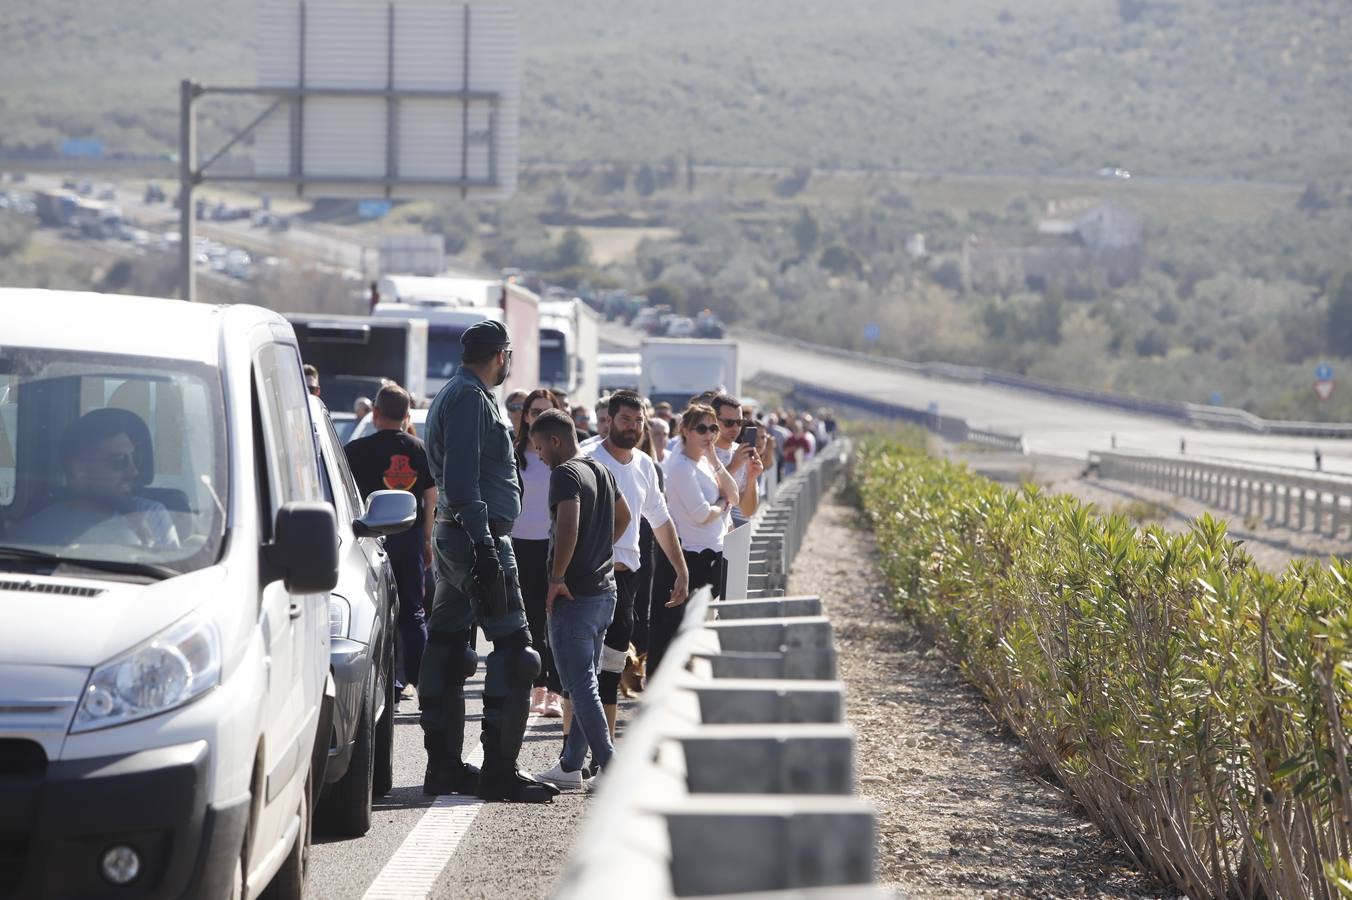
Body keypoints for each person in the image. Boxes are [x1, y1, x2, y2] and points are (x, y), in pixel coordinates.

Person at [420, 319, 557, 803]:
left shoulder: (455, 393)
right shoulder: (471, 399)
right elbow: (461, 479)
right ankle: (498, 772)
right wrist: (484, 546)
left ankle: (445, 770)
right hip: (477, 537)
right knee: (517, 653)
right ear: (501, 355)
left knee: (447, 644)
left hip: (459, 535)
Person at [531, 409, 630, 791]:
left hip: (576, 594)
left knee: (581, 683)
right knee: (581, 681)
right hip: (605, 591)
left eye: (540, 447)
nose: (538, 455)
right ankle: (571, 766)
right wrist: (600, 548)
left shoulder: (565, 473)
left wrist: (557, 577)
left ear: (555, 440)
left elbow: (568, 521)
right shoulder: (600, 470)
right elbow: (623, 516)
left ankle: (609, 764)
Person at [583, 390, 689, 739]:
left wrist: (680, 568)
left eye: (638, 420)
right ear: (609, 420)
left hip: (627, 581)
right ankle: (572, 760)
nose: (633, 427)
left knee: (612, 671)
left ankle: (603, 757)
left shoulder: (645, 465)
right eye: (626, 420)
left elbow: (660, 520)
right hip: (588, 579)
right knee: (579, 671)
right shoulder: (587, 460)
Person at [344, 384, 435, 700]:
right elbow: (430, 498)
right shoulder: (420, 450)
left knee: (371, 612)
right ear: (408, 415)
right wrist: (427, 541)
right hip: (408, 539)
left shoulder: (355, 451)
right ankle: (420, 681)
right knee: (412, 610)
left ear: (375, 413)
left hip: (366, 540)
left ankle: (379, 681)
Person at [648, 404, 738, 675]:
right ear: (685, 431)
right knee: (675, 630)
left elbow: (733, 493)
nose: (709, 434)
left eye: (713, 428)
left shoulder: (705, 462)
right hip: (689, 555)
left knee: (700, 628)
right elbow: (700, 514)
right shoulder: (678, 466)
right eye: (702, 428)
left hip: (712, 552)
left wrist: (715, 460)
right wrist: (722, 505)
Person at [17, 408, 179, 549]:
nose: (134, 471)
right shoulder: (37, 528)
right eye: (119, 461)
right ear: (78, 470)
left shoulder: (152, 515)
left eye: (135, 459)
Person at [511, 388, 567, 719]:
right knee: (531, 617)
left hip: (556, 542)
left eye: (547, 411)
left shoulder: (566, 455)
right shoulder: (514, 451)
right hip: (521, 542)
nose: (539, 416)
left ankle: (557, 690)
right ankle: (539, 686)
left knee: (557, 615)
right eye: (534, 411)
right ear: (526, 416)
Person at [711, 394, 764, 528]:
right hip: (698, 539)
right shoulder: (702, 450)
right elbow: (705, 496)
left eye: (739, 422)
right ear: (714, 420)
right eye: (729, 423)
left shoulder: (742, 452)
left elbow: (748, 511)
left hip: (727, 535)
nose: (735, 428)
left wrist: (752, 478)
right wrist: (734, 466)